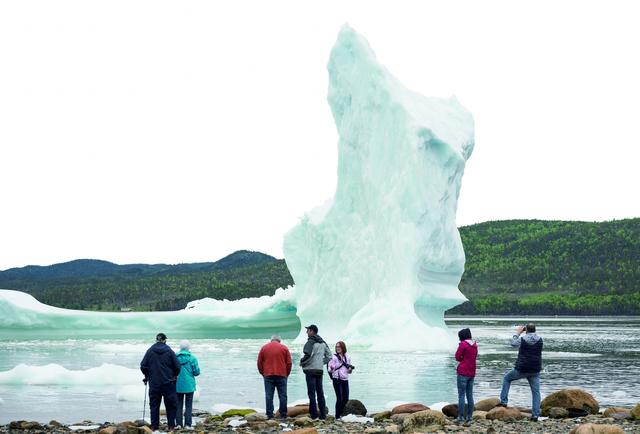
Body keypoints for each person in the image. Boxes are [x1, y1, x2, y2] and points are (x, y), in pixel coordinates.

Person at [498, 323, 543, 421]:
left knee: (507, 378)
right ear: (535, 330)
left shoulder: (523, 339)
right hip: (535, 369)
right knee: (536, 392)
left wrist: (518, 333)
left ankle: (504, 402)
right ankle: (535, 415)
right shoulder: (540, 339)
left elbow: (513, 344)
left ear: (526, 330)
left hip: (522, 368)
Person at [140, 333, 181, 431]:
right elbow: (177, 367)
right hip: (169, 383)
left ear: (156, 340)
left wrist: (147, 375)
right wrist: (174, 375)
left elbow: (143, 366)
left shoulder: (150, 351)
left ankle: (154, 427)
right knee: (171, 405)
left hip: (154, 383)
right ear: (164, 340)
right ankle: (171, 426)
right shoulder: (169, 351)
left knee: (154, 405)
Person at [300, 324, 332, 420]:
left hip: (310, 371)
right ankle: (323, 415)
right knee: (320, 393)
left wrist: (302, 362)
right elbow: (330, 356)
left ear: (312, 331)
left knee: (311, 394)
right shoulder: (323, 342)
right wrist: (321, 363)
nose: (306, 332)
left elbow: (307, 355)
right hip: (319, 370)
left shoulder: (310, 342)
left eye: (308, 330)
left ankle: (314, 415)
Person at [257, 335, 292, 419]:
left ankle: (269, 414)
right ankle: (283, 414)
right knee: (283, 395)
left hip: (268, 374)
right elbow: (289, 363)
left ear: (271, 340)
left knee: (269, 395)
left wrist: (263, 373)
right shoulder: (284, 348)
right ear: (279, 341)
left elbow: (259, 362)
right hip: (281, 374)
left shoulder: (264, 348)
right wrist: (286, 374)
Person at [454, 328, 478, 423]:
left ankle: (460, 416)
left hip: (463, 372)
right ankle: (470, 416)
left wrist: (462, 360)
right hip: (472, 372)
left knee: (461, 395)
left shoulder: (463, 344)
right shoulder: (475, 345)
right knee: (469, 395)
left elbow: (457, 357)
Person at [175, 340, 200, 428]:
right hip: (189, 385)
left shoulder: (174, 357)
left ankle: (178, 424)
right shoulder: (192, 358)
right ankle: (188, 424)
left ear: (180, 347)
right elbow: (196, 372)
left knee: (178, 404)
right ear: (189, 347)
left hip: (177, 384)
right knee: (188, 405)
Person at [328, 341, 353, 419]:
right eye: (336, 347)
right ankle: (337, 416)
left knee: (346, 398)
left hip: (345, 379)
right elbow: (330, 370)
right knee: (339, 398)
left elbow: (349, 372)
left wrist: (350, 370)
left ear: (343, 347)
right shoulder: (334, 357)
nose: (337, 348)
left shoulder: (347, 357)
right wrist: (331, 368)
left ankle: (342, 414)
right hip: (337, 379)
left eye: (339, 347)